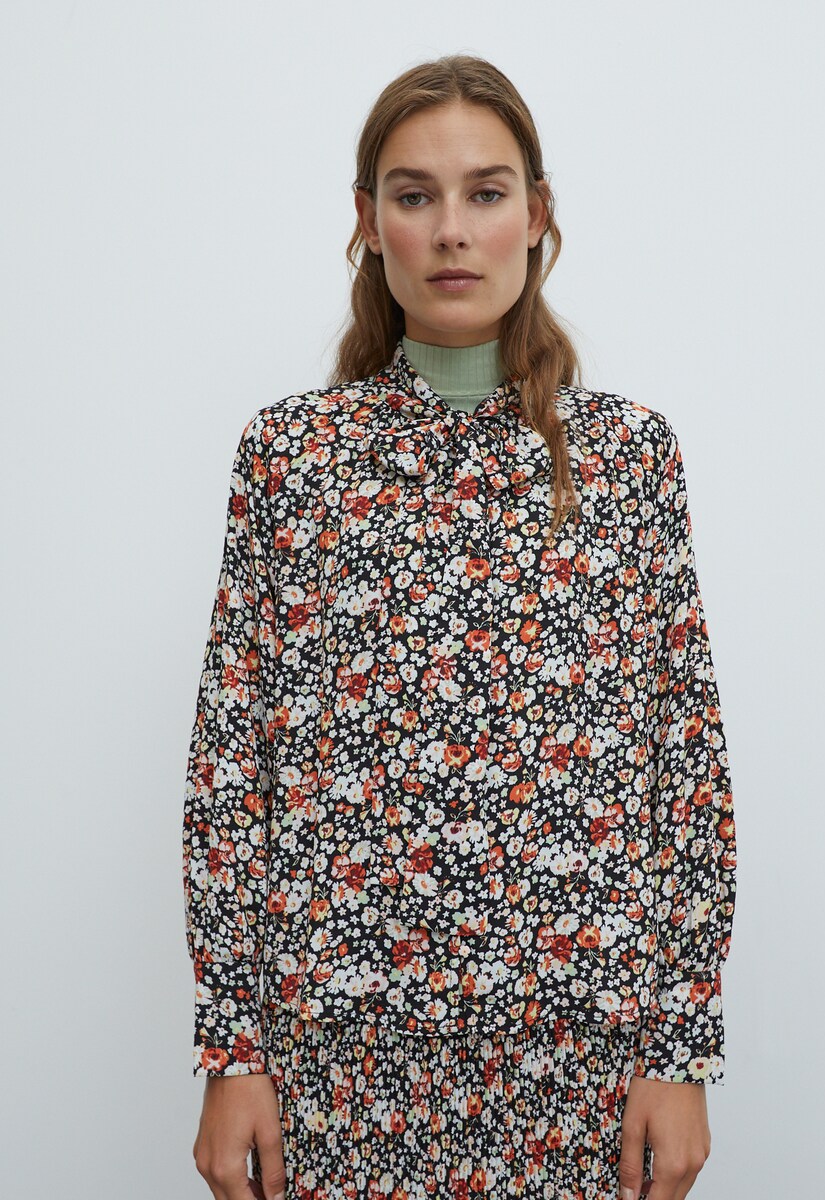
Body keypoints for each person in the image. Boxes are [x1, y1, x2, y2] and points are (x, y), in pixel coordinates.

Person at [183, 53, 737, 1200]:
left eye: (486, 193)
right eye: (414, 194)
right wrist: (232, 1053)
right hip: (340, 1060)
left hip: (580, 1057)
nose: (450, 231)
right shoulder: (291, 458)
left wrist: (679, 1051)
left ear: (536, 216)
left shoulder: (628, 460)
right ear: (366, 221)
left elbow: (683, 767)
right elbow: (232, 772)